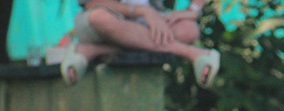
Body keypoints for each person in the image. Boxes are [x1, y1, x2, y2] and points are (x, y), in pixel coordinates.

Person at [59, 0, 221, 89]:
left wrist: (193, 9)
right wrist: (142, 11)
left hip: (147, 25)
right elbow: (93, 4)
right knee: (100, 18)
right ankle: (190, 52)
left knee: (188, 30)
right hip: (105, 21)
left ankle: (93, 50)